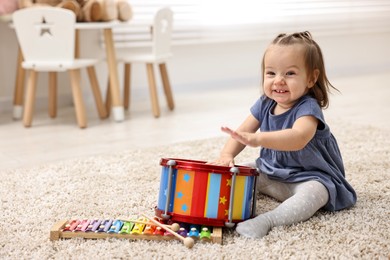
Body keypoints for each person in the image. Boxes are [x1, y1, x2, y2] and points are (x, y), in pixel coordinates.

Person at [210, 31, 357, 239]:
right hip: (270, 172)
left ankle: (268, 220)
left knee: (317, 192)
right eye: (271, 73)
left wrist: (258, 139)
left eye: (289, 73)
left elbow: (297, 138)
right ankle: (207, 209)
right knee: (236, 172)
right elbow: (241, 133)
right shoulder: (264, 103)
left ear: (311, 78)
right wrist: (226, 154)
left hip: (307, 177)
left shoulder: (308, 108)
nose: (278, 81)